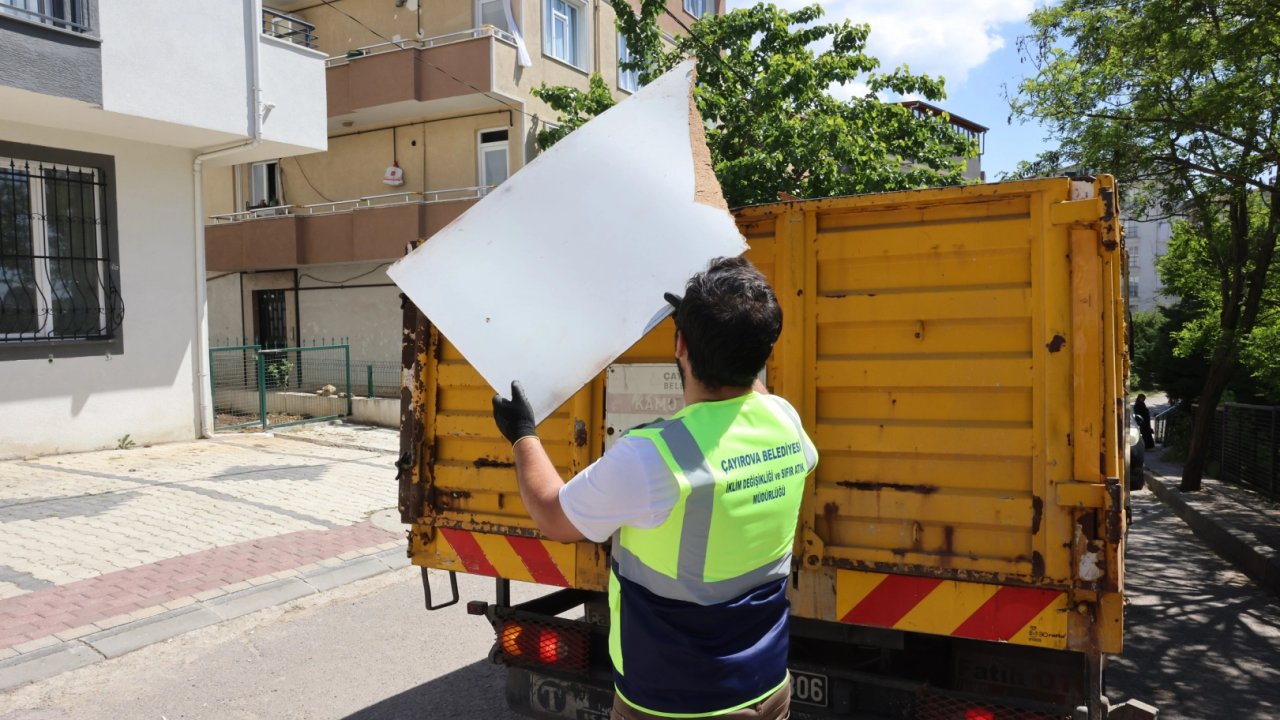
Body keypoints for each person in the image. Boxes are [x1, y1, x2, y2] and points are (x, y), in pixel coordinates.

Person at [491, 256, 818, 720]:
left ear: (680, 344)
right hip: (767, 688)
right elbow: (752, 385)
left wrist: (522, 432)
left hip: (673, 703)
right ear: (764, 352)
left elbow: (551, 514)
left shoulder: (653, 458)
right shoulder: (786, 424)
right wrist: (725, 335)